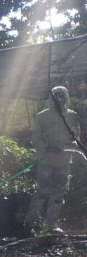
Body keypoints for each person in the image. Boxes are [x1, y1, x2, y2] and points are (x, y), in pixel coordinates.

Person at [25, 86, 86, 232]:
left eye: (62, 95)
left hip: (64, 161)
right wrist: (46, 148)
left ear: (66, 97)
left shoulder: (71, 115)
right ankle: (31, 222)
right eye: (56, 96)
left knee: (59, 192)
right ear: (51, 98)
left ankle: (51, 224)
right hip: (46, 160)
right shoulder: (42, 116)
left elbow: (75, 136)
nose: (59, 99)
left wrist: (69, 146)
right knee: (42, 190)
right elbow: (36, 138)